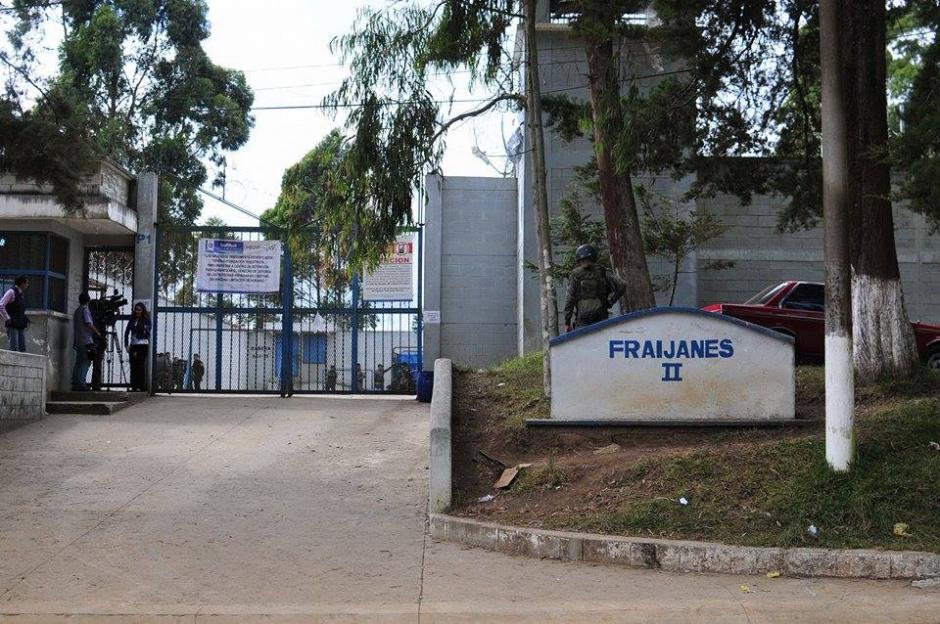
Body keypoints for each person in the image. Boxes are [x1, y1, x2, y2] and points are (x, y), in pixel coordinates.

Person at [564, 244, 626, 332]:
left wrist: (567, 322)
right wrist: (610, 301)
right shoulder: (603, 271)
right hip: (601, 317)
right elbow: (622, 284)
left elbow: (569, 300)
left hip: (582, 319)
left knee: (583, 343)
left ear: (579, 259)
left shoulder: (575, 274)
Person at [71, 293, 102, 391]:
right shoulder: (85, 309)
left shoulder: (77, 311)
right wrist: (97, 332)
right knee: (86, 362)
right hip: (86, 340)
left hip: (78, 340)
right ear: (88, 301)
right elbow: (89, 323)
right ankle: (81, 383)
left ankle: (75, 383)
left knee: (78, 362)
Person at [123, 302, 151, 392]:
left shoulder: (146, 320)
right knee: (133, 366)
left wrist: (145, 329)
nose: (137, 312)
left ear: (142, 311)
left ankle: (141, 386)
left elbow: (148, 331)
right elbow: (127, 332)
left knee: (140, 365)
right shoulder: (132, 320)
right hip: (133, 345)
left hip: (142, 345)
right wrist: (126, 344)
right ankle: (134, 386)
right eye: (136, 310)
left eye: (139, 310)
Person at [0, 275, 30, 352]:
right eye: (26, 283)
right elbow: (1, 305)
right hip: (12, 323)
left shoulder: (21, 295)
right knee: (13, 348)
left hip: (20, 324)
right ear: (22, 283)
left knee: (22, 349)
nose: (27, 285)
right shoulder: (11, 292)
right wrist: (7, 318)